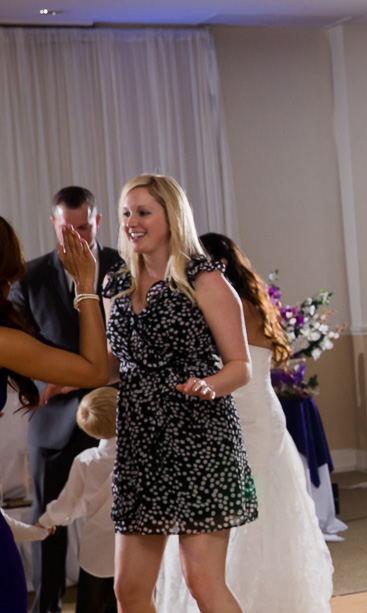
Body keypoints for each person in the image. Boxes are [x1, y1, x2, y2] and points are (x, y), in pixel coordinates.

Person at [101, 174, 256, 613]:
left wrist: (210, 384)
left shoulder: (203, 279)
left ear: (172, 217)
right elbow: (113, 363)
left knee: (203, 584)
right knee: (129, 591)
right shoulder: (115, 284)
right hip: (140, 445)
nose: (132, 221)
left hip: (200, 440)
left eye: (143, 212)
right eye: (126, 213)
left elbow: (240, 366)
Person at [155, 232, 334, 612]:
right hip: (266, 419)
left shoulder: (216, 305)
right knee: (268, 514)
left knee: (225, 517)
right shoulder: (255, 302)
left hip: (236, 420)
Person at [7, 186, 122, 613]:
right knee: (49, 520)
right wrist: (49, 382)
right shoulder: (29, 276)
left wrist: (86, 377)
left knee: (122, 522)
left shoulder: (123, 268)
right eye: (66, 227)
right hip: (52, 420)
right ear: (54, 224)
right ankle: (48, 605)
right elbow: (19, 351)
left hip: (115, 415)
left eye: (84, 226)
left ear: (98, 223)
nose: (76, 234)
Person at [37, 387, 118, 613]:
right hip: (131, 549)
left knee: (90, 605)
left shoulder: (86, 461)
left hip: (95, 550)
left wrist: (46, 520)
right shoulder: (140, 457)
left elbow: (70, 504)